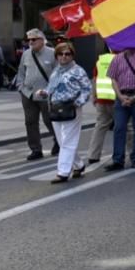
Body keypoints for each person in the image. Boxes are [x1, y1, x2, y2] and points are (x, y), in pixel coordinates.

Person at [37, 42, 92, 183]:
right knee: (63, 142)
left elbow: (87, 89)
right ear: (56, 56)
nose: (64, 57)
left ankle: (63, 172)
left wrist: (78, 102)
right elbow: (51, 88)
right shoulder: (56, 71)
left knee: (68, 140)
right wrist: (44, 92)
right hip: (55, 108)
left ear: (72, 55)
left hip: (71, 108)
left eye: (67, 54)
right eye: (60, 54)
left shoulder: (78, 71)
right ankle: (78, 165)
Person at [105, 46, 135, 171]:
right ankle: (118, 160)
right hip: (122, 95)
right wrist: (120, 97)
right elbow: (113, 79)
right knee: (119, 128)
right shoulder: (117, 59)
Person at [15, 28, 58, 160]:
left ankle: (59, 141)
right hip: (28, 93)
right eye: (29, 40)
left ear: (42, 40)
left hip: (45, 93)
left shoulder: (52, 53)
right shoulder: (26, 54)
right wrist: (20, 86)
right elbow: (21, 71)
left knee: (49, 120)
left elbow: (58, 74)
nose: (31, 42)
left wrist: (51, 90)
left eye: (34, 39)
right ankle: (35, 149)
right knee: (30, 122)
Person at [85, 47, 116, 165]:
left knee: (100, 126)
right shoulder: (121, 59)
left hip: (102, 99)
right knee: (126, 127)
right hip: (116, 99)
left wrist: (94, 96)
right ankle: (132, 151)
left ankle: (93, 155)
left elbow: (95, 79)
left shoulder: (101, 60)